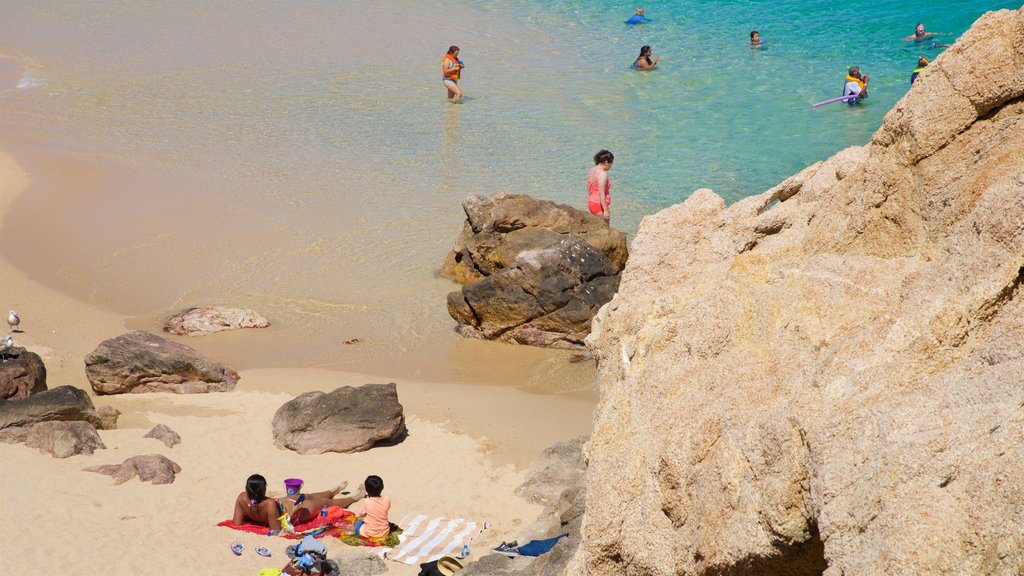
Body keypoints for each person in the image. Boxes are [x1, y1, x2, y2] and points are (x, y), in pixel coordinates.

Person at [232, 474, 365, 528]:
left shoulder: (241, 497)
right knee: (326, 503)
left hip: (282, 503)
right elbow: (277, 530)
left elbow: (236, 523)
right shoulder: (269, 504)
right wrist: (295, 510)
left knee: (307, 496)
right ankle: (354, 497)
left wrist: (252, 515)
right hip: (293, 513)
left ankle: (331, 491)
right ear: (263, 489)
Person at [587, 150, 613, 223]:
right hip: (599, 205)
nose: (611, 166)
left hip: (592, 202)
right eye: (611, 163)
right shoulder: (602, 174)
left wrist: (592, 200)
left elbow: (589, 188)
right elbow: (601, 193)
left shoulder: (592, 170)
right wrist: (605, 210)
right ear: (606, 163)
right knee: (606, 229)